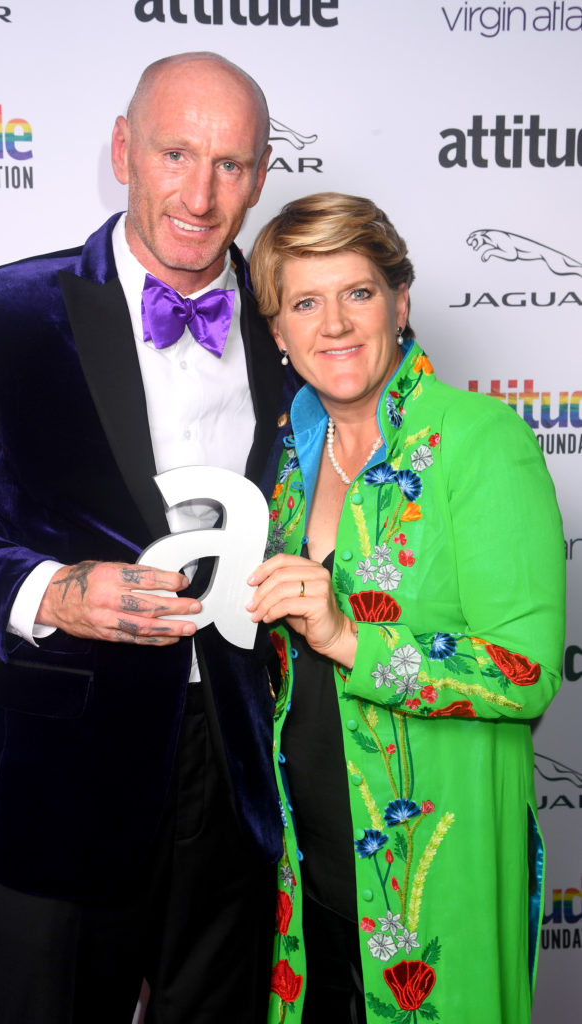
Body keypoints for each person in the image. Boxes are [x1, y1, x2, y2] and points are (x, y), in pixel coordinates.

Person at [0, 52, 296, 1024]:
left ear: (259, 174)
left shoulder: (296, 320)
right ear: (124, 149)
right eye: (174, 152)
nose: (200, 194)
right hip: (65, 776)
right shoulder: (9, 317)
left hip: (238, 769)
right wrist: (46, 590)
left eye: (230, 164)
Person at [247, 192, 565, 1023]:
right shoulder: (282, 461)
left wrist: (349, 635)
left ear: (400, 301)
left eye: (357, 292)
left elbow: (523, 674)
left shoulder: (479, 438)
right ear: (276, 332)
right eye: (304, 303)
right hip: (304, 872)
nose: (335, 325)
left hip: (433, 871)